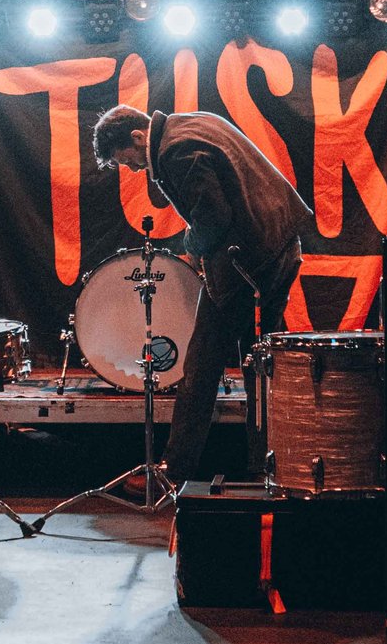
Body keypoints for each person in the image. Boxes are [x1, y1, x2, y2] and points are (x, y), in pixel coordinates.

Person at [91, 104, 311, 484]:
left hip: (248, 259)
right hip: (280, 244)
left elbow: (213, 216)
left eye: (126, 161)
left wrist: (191, 247)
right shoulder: (193, 121)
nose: (133, 169)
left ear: (137, 138)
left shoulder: (172, 150)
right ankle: (269, 464)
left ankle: (174, 472)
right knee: (261, 364)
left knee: (201, 367)